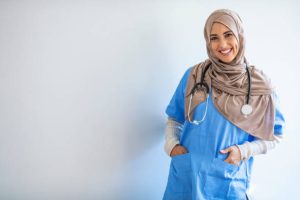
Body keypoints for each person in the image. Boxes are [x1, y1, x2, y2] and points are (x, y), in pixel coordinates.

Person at [162, 9, 285, 200]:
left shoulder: (260, 86)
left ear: (240, 35)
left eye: (228, 35)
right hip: (186, 178)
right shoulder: (194, 76)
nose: (222, 44)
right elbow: (174, 118)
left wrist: (244, 151)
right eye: (214, 38)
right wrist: (172, 146)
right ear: (208, 42)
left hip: (227, 182)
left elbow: (275, 135)